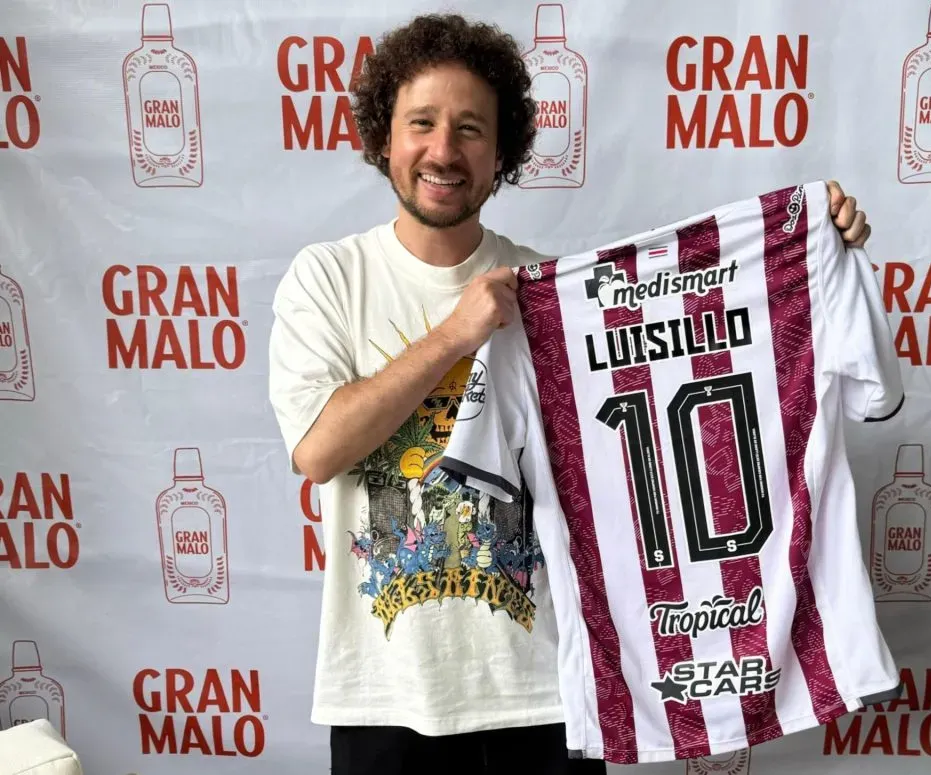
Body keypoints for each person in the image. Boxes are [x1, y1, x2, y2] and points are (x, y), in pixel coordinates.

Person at [267, 12, 875, 775]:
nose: (443, 151)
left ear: (503, 153)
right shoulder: (326, 279)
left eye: (470, 129)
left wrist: (813, 247)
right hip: (385, 699)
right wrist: (458, 332)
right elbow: (320, 449)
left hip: (549, 693)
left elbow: (692, 363)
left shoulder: (554, 294)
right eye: (421, 123)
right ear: (383, 138)